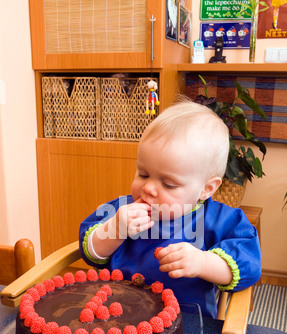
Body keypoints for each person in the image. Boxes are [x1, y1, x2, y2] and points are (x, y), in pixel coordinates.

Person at [79, 100, 261, 318]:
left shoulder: (219, 220)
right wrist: (116, 229)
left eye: (169, 184)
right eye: (143, 174)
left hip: (187, 324)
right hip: (117, 318)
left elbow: (249, 266)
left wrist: (203, 263)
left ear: (206, 188)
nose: (148, 188)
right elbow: (89, 252)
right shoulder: (121, 210)